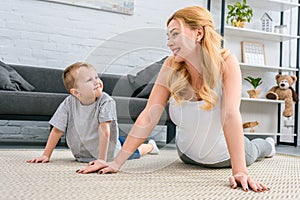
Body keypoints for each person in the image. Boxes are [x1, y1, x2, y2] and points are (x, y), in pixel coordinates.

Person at [77, 6, 275, 192]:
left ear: (199, 33)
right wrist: (116, 162)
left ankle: (268, 144)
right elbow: (149, 115)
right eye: (168, 36)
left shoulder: (226, 62)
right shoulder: (171, 65)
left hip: (224, 157)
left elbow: (230, 115)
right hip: (187, 156)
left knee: (257, 148)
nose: (169, 42)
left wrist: (240, 171)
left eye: (175, 34)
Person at [26, 62, 159, 164]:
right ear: (76, 92)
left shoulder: (106, 101)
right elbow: (57, 130)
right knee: (120, 140)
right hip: (83, 154)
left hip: (109, 151)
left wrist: (102, 159)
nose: (97, 81)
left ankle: (150, 146)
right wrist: (46, 155)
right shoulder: (69, 103)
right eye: (89, 80)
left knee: (133, 150)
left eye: (96, 77)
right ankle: (124, 141)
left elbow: (105, 130)